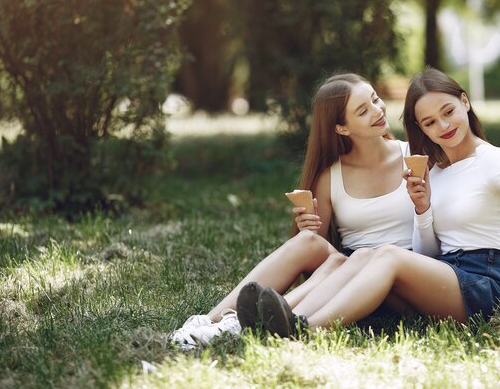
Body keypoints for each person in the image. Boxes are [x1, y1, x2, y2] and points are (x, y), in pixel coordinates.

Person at [241, 67, 500, 337]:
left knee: (385, 255)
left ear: (465, 103)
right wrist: (423, 209)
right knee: (361, 258)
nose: (443, 126)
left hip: (493, 280)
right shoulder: (435, 170)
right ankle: (281, 316)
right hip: (449, 271)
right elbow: (427, 252)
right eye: (429, 122)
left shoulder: (491, 159)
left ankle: (304, 329)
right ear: (421, 129)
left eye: (448, 112)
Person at [170, 73, 421, 348]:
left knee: (356, 259)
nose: (378, 110)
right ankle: (211, 321)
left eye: (375, 99)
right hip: (347, 273)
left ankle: (254, 323)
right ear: (341, 128)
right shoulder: (330, 177)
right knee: (308, 242)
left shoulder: (415, 158)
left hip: (399, 276)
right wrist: (308, 229)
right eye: (363, 111)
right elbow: (323, 254)